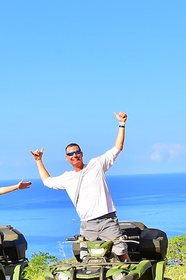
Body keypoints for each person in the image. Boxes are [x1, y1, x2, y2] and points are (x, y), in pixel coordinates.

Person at [30, 111, 130, 261]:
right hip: (87, 225)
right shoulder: (67, 178)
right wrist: (39, 161)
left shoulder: (96, 164)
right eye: (71, 154)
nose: (74, 155)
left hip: (107, 220)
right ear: (67, 158)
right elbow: (47, 181)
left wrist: (121, 124)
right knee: (86, 259)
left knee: (121, 253)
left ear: (82, 154)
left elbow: (117, 148)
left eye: (77, 152)